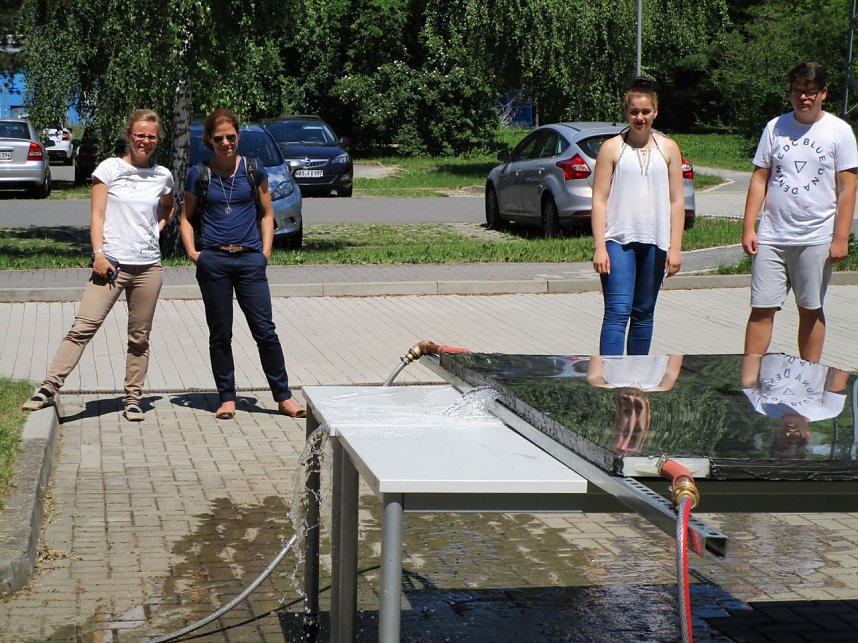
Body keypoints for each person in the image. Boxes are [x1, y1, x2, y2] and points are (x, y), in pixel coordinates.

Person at [22, 109, 175, 421]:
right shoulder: (110, 169)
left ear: (157, 140)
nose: (145, 141)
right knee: (83, 327)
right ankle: (48, 388)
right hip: (111, 264)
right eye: (140, 135)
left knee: (139, 336)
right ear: (129, 136)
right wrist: (99, 254)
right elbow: (97, 216)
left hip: (148, 267)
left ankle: (133, 398)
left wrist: (156, 228)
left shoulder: (163, 175)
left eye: (151, 137)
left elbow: (168, 207)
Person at [179, 108, 305, 420]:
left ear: (238, 137)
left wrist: (264, 253)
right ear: (210, 139)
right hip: (215, 261)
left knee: (265, 331)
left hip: (250, 260)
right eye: (219, 138)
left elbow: (266, 213)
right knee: (220, 333)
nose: (225, 143)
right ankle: (226, 398)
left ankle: (283, 396)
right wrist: (195, 253)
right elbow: (186, 217)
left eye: (231, 137)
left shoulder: (253, 169)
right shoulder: (199, 173)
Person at [742, 62, 858, 363]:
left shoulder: (839, 132)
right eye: (797, 91)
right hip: (772, 235)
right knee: (762, 307)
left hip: (815, 236)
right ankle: (750, 378)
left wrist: (841, 238)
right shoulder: (775, 127)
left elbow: (847, 188)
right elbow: (759, 178)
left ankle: (809, 378)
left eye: (809, 92)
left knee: (809, 308)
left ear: (823, 93)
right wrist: (749, 227)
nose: (802, 98)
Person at [591, 77, 686, 355]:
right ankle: (611, 379)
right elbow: (599, 200)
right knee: (618, 311)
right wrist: (599, 247)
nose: (640, 118)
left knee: (644, 313)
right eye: (634, 112)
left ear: (655, 111)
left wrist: (676, 247)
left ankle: (636, 381)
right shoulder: (612, 148)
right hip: (618, 240)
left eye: (645, 111)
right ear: (626, 113)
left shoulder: (668, 148)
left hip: (656, 241)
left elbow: (677, 200)